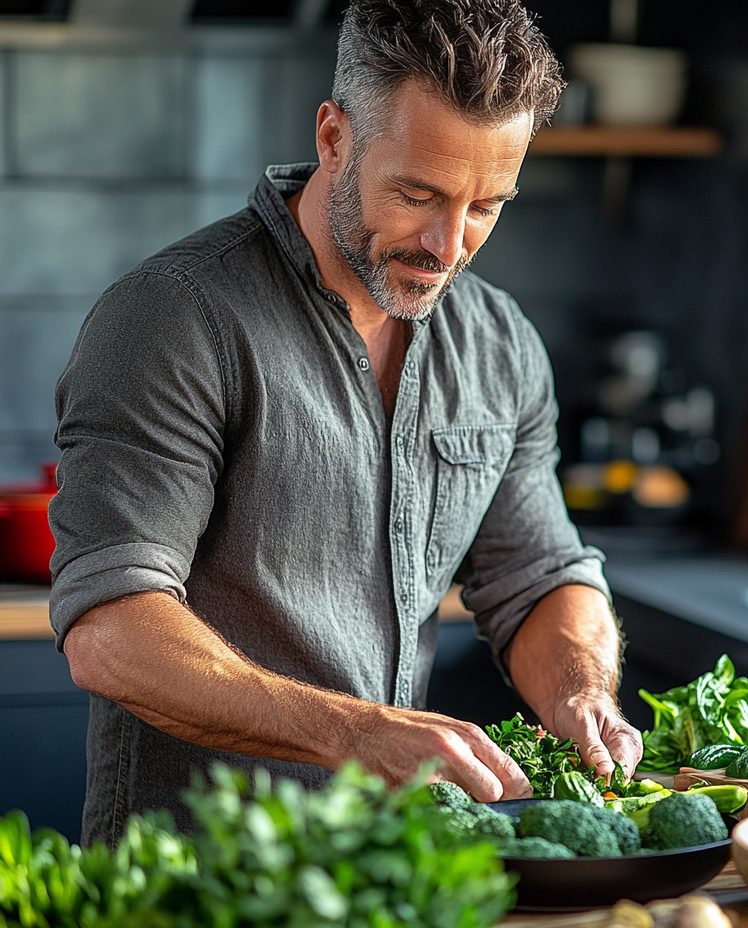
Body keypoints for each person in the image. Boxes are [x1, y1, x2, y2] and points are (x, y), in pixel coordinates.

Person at [49, 0, 641, 847]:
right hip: (195, 878)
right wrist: (357, 733)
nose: (448, 245)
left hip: (389, 874)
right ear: (334, 138)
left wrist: (584, 691)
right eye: (416, 193)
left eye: (486, 205)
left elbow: (540, 575)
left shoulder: (500, 343)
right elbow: (111, 631)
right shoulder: (174, 320)